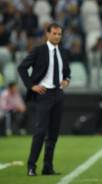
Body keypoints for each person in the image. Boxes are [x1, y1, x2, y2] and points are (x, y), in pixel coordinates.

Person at [18, 23, 71, 176]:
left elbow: (67, 72)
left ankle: (47, 167)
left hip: (58, 94)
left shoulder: (63, 51)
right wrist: (31, 86)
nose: (57, 36)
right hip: (43, 94)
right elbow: (22, 68)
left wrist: (66, 80)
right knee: (40, 132)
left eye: (59, 34)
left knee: (53, 134)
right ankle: (31, 166)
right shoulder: (39, 51)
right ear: (47, 34)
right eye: (54, 33)